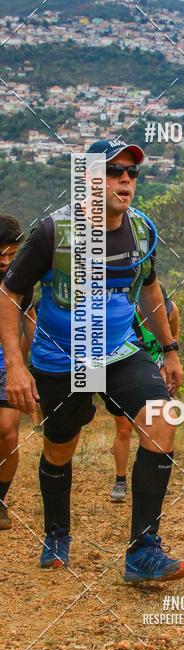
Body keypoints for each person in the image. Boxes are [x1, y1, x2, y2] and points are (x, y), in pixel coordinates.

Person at [0, 139, 184, 582]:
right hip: (61, 357)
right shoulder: (54, 233)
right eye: (113, 171)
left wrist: (169, 348)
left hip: (120, 350)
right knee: (61, 445)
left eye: (132, 172)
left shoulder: (141, 230)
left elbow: (150, 288)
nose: (125, 179)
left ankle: (143, 551)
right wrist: (16, 366)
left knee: (161, 419)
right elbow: (9, 296)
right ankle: (57, 533)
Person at [110, 283, 180, 503]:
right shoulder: (127, 317)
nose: (159, 311)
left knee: (159, 425)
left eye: (162, 306)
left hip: (155, 371)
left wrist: (167, 368)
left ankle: (153, 480)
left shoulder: (171, 312)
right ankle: (120, 480)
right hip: (126, 369)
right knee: (123, 428)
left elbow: (171, 344)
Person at [0, 215, 36, 530]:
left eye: (12, 254)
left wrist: (29, 362)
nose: (6, 261)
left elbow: (30, 319)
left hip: (6, 361)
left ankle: (0, 499)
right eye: (1, 254)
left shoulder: (19, 279)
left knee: (8, 431)